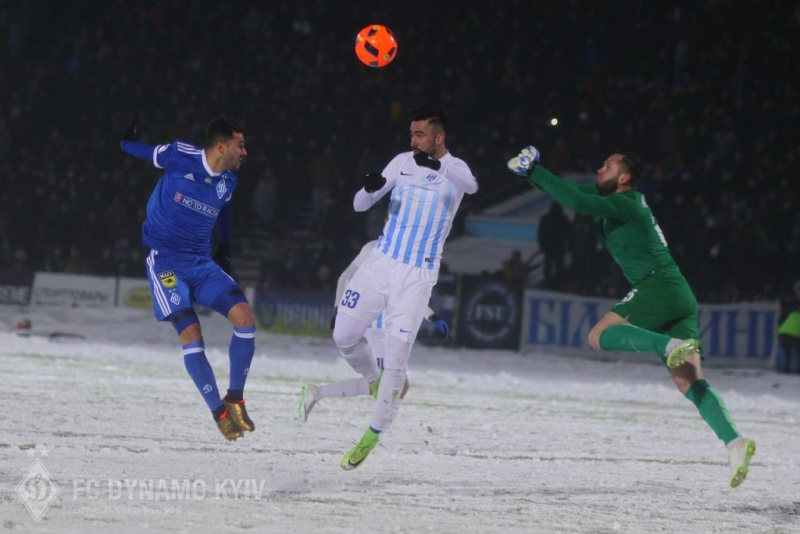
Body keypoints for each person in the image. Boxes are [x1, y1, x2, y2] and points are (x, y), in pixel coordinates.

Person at [507, 146, 756, 488]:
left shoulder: (626, 203)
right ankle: (734, 442)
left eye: (606, 166)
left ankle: (669, 345)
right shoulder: (611, 200)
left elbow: (578, 203)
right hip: (678, 292)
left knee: (598, 336)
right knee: (689, 382)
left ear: (623, 177)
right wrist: (530, 173)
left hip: (657, 286)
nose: (599, 168)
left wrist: (534, 171)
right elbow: (574, 194)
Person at [330, 105, 478, 470]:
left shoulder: (455, 168)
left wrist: (438, 166)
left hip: (417, 275)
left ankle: (371, 435)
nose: (412, 140)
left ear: (438, 138)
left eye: (419, 135)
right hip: (381, 261)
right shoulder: (401, 161)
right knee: (344, 335)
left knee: (398, 359)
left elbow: (471, 186)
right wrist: (368, 190)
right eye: (411, 134)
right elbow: (359, 204)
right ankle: (372, 380)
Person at [120, 117, 257, 442]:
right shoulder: (181, 156)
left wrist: (224, 245)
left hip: (200, 262)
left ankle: (235, 399)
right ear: (221, 146)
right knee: (191, 332)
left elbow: (225, 210)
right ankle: (219, 413)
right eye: (240, 145)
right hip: (166, 262)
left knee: (245, 318)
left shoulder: (229, 182)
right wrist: (124, 143)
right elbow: (149, 153)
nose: (245, 152)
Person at [298, 238, 450, 423]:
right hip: (377, 326)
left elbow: (406, 294)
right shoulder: (376, 247)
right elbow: (346, 277)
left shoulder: (407, 251)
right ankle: (319, 394)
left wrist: (432, 316)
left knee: (399, 385)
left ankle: (380, 430)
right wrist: (338, 309)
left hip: (390, 325)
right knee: (385, 384)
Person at [538, 202, 571, 287]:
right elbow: (541, 233)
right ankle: (550, 281)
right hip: (552, 246)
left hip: (556, 246)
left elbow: (568, 232)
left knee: (557, 266)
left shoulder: (558, 218)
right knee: (550, 266)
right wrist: (542, 245)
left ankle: (556, 282)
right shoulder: (548, 218)